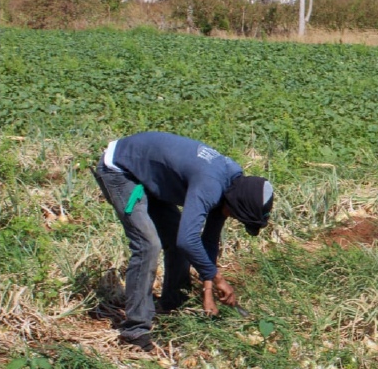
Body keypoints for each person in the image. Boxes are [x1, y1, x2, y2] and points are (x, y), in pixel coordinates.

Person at [92, 132, 274, 351]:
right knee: (148, 245)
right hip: (122, 170)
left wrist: (208, 291)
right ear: (237, 206)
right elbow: (188, 240)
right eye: (237, 216)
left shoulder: (232, 185)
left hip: (153, 177)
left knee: (177, 238)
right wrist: (217, 278)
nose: (233, 218)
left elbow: (208, 241)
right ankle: (135, 330)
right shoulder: (211, 185)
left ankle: (172, 304)